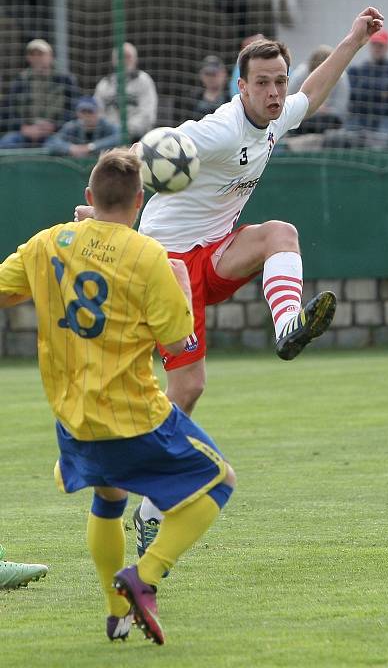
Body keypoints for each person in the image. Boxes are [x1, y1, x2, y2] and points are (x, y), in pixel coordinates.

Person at [76, 7, 384, 554]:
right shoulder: (217, 130)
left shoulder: (277, 114)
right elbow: (149, 155)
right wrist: (100, 210)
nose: (273, 91)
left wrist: (354, 39)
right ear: (241, 88)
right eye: (261, 83)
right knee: (188, 389)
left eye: (278, 81)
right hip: (165, 265)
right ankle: (149, 506)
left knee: (279, 234)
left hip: (213, 254)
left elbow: (313, 92)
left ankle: (288, 325)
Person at [0, 147, 235, 645]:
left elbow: (5, 289)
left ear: (89, 197)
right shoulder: (150, 257)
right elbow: (178, 342)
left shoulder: (47, 244)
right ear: (140, 201)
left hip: (73, 419)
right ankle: (142, 576)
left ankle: (116, 614)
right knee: (218, 482)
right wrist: (181, 289)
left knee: (109, 497)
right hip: (135, 415)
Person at [0, 39, 80, 148]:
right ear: (28, 58)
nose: (37, 58)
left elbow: (74, 111)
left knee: (57, 146)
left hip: (56, 133)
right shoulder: (20, 81)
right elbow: (7, 111)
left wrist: (55, 126)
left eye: (41, 54)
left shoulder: (66, 80)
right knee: (6, 143)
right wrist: (23, 128)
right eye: (33, 55)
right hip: (25, 132)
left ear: (50, 56)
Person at [94, 42, 158, 141]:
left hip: (137, 138)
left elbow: (147, 115)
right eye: (120, 57)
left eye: (127, 56)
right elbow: (97, 113)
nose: (123, 60)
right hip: (108, 137)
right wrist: (111, 129)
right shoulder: (104, 84)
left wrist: (126, 130)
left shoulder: (144, 80)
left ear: (135, 60)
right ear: (113, 61)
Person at [287, 44, 350, 134]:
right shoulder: (300, 75)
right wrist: (309, 108)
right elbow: (288, 102)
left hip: (328, 120)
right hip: (302, 119)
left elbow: (340, 109)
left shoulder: (341, 77)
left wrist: (326, 110)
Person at [347, 28, 388, 135]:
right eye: (374, 45)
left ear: (387, 47)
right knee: (348, 138)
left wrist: (366, 87)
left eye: (381, 45)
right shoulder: (359, 70)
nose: (377, 48)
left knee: (381, 142)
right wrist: (383, 92)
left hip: (386, 117)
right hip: (361, 116)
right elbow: (354, 94)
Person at [47, 96, 120, 159]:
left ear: (97, 112)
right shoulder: (72, 127)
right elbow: (52, 142)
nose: (87, 115)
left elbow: (120, 137)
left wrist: (91, 147)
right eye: (83, 112)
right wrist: (71, 148)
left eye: (90, 111)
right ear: (77, 113)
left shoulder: (105, 125)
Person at [189, 55, 229, 120]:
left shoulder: (230, 99)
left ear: (224, 74)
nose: (210, 78)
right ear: (201, 75)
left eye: (214, 74)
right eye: (207, 73)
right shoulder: (192, 99)